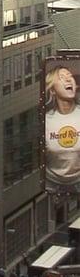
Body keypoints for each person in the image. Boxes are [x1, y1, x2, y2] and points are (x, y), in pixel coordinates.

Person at [44, 65, 80, 193]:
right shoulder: (46, 121)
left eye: (70, 76)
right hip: (51, 184)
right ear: (52, 90)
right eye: (62, 78)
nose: (68, 79)